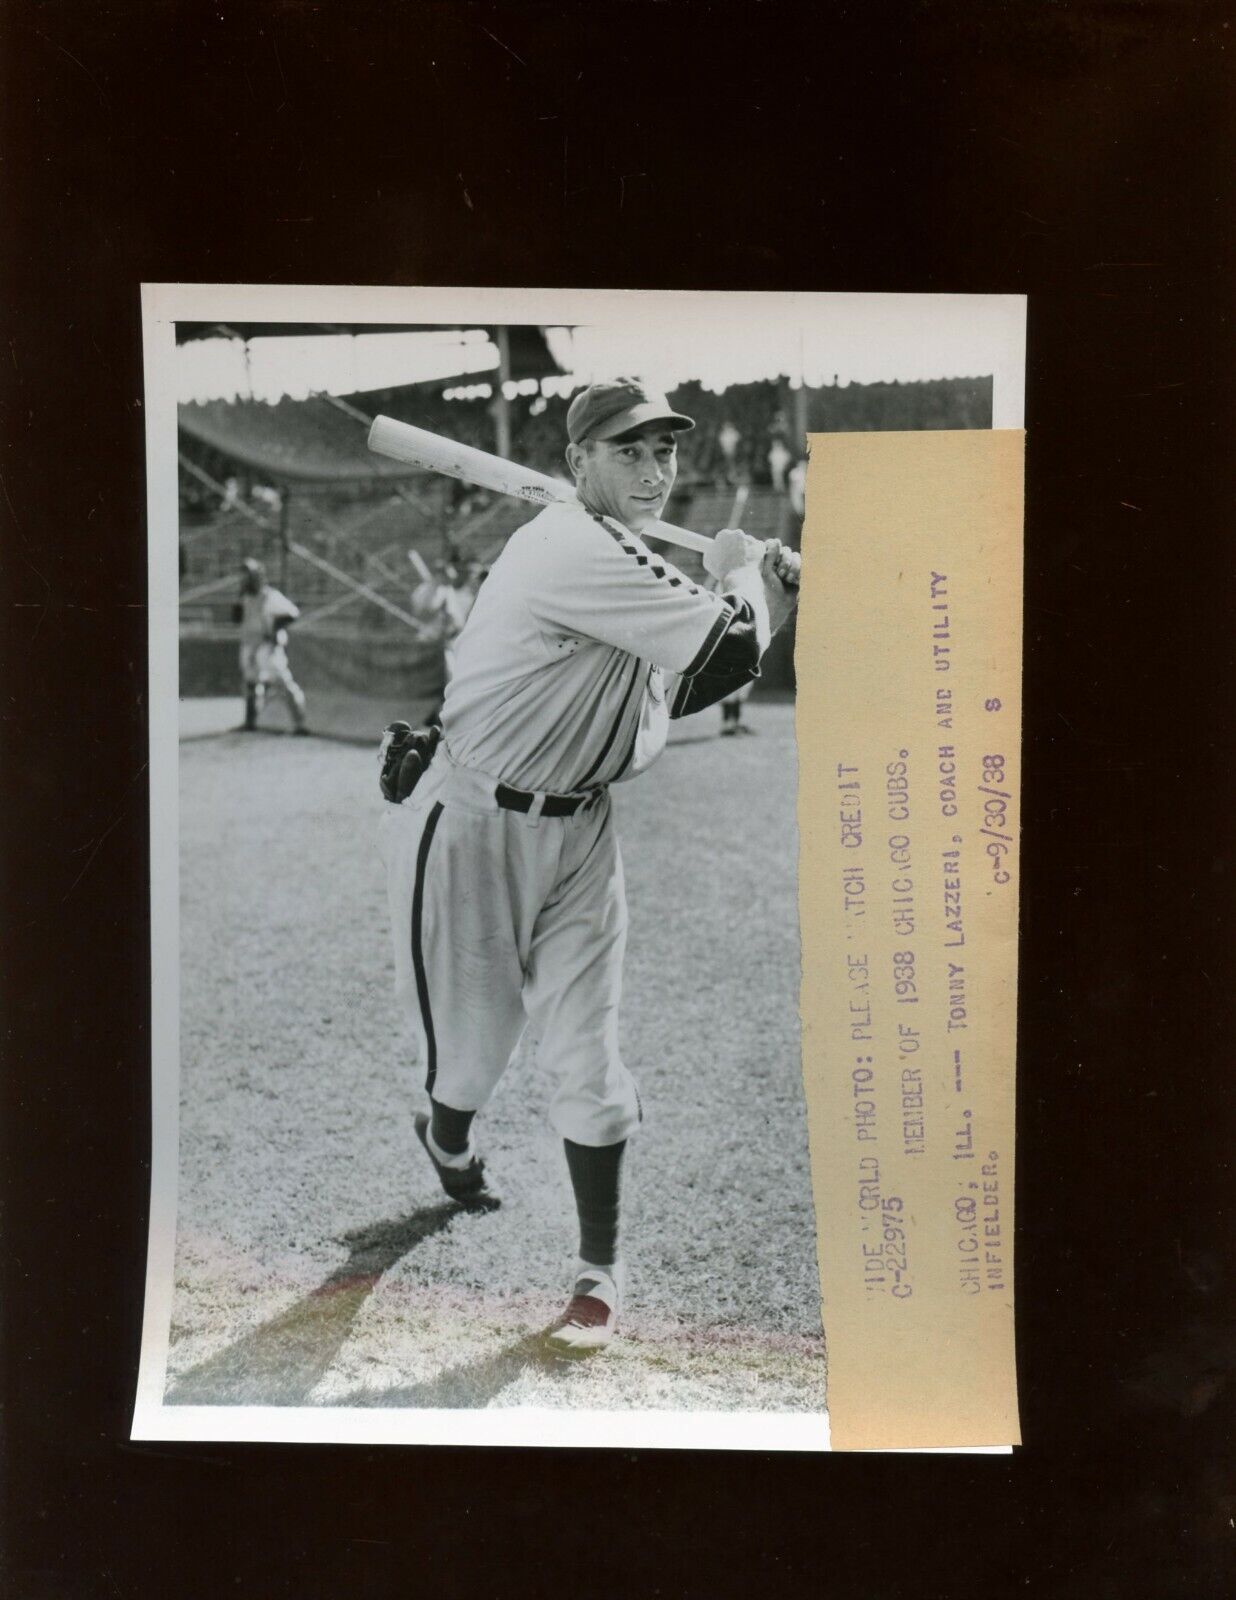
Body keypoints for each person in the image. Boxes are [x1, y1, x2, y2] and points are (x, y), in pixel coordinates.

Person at [376, 379, 798, 1356]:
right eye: (629, 451)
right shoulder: (572, 544)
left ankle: (595, 1275)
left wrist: (754, 601)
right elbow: (729, 651)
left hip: (580, 833)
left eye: (666, 452)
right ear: (577, 464)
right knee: (472, 1054)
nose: (655, 470)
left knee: (588, 1055)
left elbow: (678, 692)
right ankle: (447, 1140)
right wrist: (747, 578)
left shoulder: (620, 554)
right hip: (476, 820)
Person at [235, 558, 309, 734]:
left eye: (248, 576)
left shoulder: (270, 595)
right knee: (250, 683)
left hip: (267, 646)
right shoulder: (245, 598)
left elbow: (292, 613)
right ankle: (250, 722)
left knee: (283, 682)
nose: (245, 580)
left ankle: (300, 723)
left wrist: (274, 628)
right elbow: (236, 618)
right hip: (249, 644)